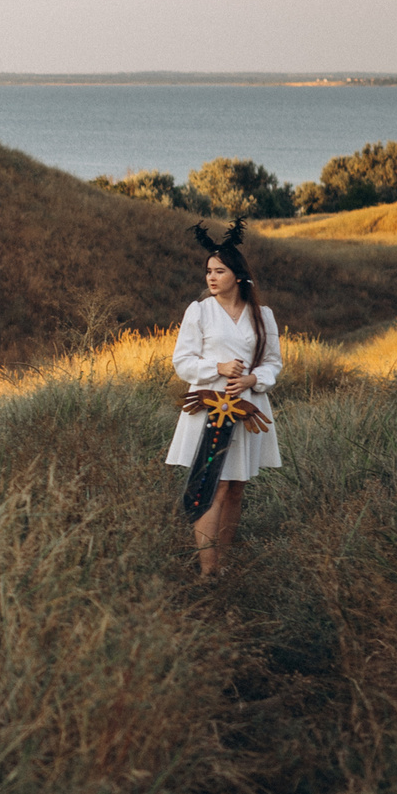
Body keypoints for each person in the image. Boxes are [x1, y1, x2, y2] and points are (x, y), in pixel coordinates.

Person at [165, 219, 282, 576]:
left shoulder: (262, 316)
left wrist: (251, 378)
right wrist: (220, 367)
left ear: (238, 275)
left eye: (219, 271)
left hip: (247, 407)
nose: (211, 278)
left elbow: (273, 363)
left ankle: (225, 564)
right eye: (208, 271)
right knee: (212, 485)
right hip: (208, 407)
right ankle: (208, 571)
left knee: (235, 489)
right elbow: (181, 362)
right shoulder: (199, 312)